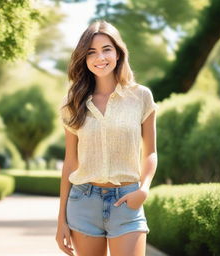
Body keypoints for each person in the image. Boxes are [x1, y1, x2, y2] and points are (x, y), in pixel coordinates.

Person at [56, 20, 159, 256]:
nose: (99, 57)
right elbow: (70, 162)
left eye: (106, 49)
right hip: (83, 202)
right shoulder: (72, 102)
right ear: (84, 57)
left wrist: (144, 189)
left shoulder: (141, 96)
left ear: (118, 53)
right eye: (91, 52)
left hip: (127, 201)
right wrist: (61, 219)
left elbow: (150, 151)